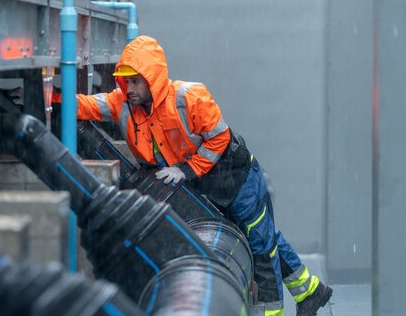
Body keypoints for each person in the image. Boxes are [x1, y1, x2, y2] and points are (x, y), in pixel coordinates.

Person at [52, 35, 332, 316]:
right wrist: (48, 96)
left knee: (260, 248)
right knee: (264, 237)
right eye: (126, 82)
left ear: (154, 79)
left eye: (137, 81)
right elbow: (84, 104)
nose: (130, 89)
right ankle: (311, 291)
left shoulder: (189, 97)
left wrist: (185, 170)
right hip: (206, 183)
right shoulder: (121, 103)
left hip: (237, 179)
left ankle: (274, 312)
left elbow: (219, 138)